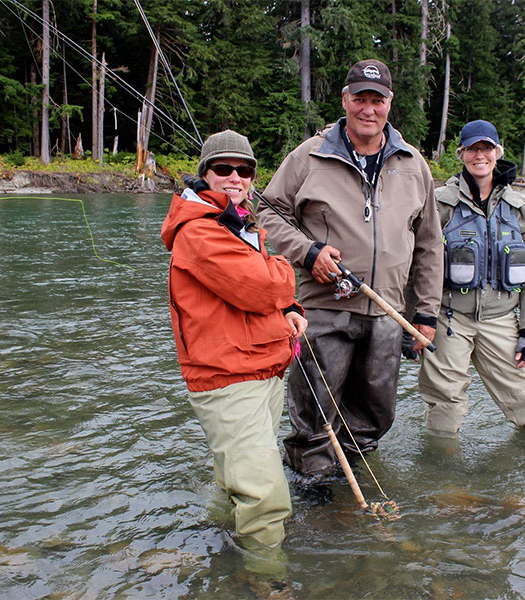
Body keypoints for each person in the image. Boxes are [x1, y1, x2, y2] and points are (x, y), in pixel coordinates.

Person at [257, 59, 443, 484]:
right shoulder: (309, 155)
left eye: (377, 100)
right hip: (322, 309)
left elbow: (431, 245)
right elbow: (263, 212)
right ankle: (316, 494)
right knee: (317, 413)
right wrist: (307, 252)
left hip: (388, 313)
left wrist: (426, 314)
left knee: (375, 412)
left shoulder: (415, 165)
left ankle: (352, 483)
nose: (368, 109)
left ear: (389, 105)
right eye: (359, 98)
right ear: (345, 100)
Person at [161, 130, 308, 550]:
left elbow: (265, 295)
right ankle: (268, 580)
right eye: (223, 169)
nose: (235, 177)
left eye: (244, 170)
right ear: (204, 174)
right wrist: (281, 267)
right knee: (265, 495)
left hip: (260, 369)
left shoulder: (237, 224)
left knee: (232, 481)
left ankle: (218, 551)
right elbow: (262, 287)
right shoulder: (199, 231)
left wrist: (291, 308)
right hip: (228, 377)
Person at [417, 119, 525, 435]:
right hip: (450, 318)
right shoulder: (440, 202)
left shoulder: (519, 206)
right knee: (445, 402)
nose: (480, 155)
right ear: (462, 153)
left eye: (486, 148)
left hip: (503, 319)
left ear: (497, 153)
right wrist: (418, 319)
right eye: (473, 149)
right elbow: (420, 263)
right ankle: (441, 471)